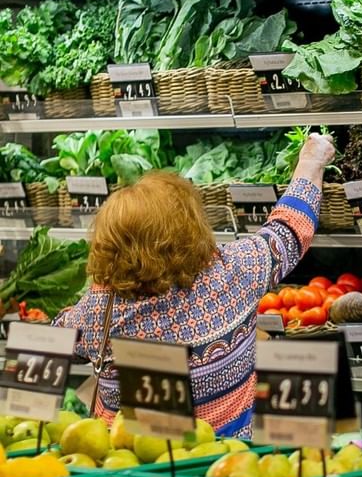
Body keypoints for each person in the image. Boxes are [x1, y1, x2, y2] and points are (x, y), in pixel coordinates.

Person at [54, 133, 335, 439]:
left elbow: (60, 340)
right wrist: (311, 161)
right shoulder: (234, 273)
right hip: (225, 461)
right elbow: (289, 229)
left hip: (126, 460)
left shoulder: (99, 309)